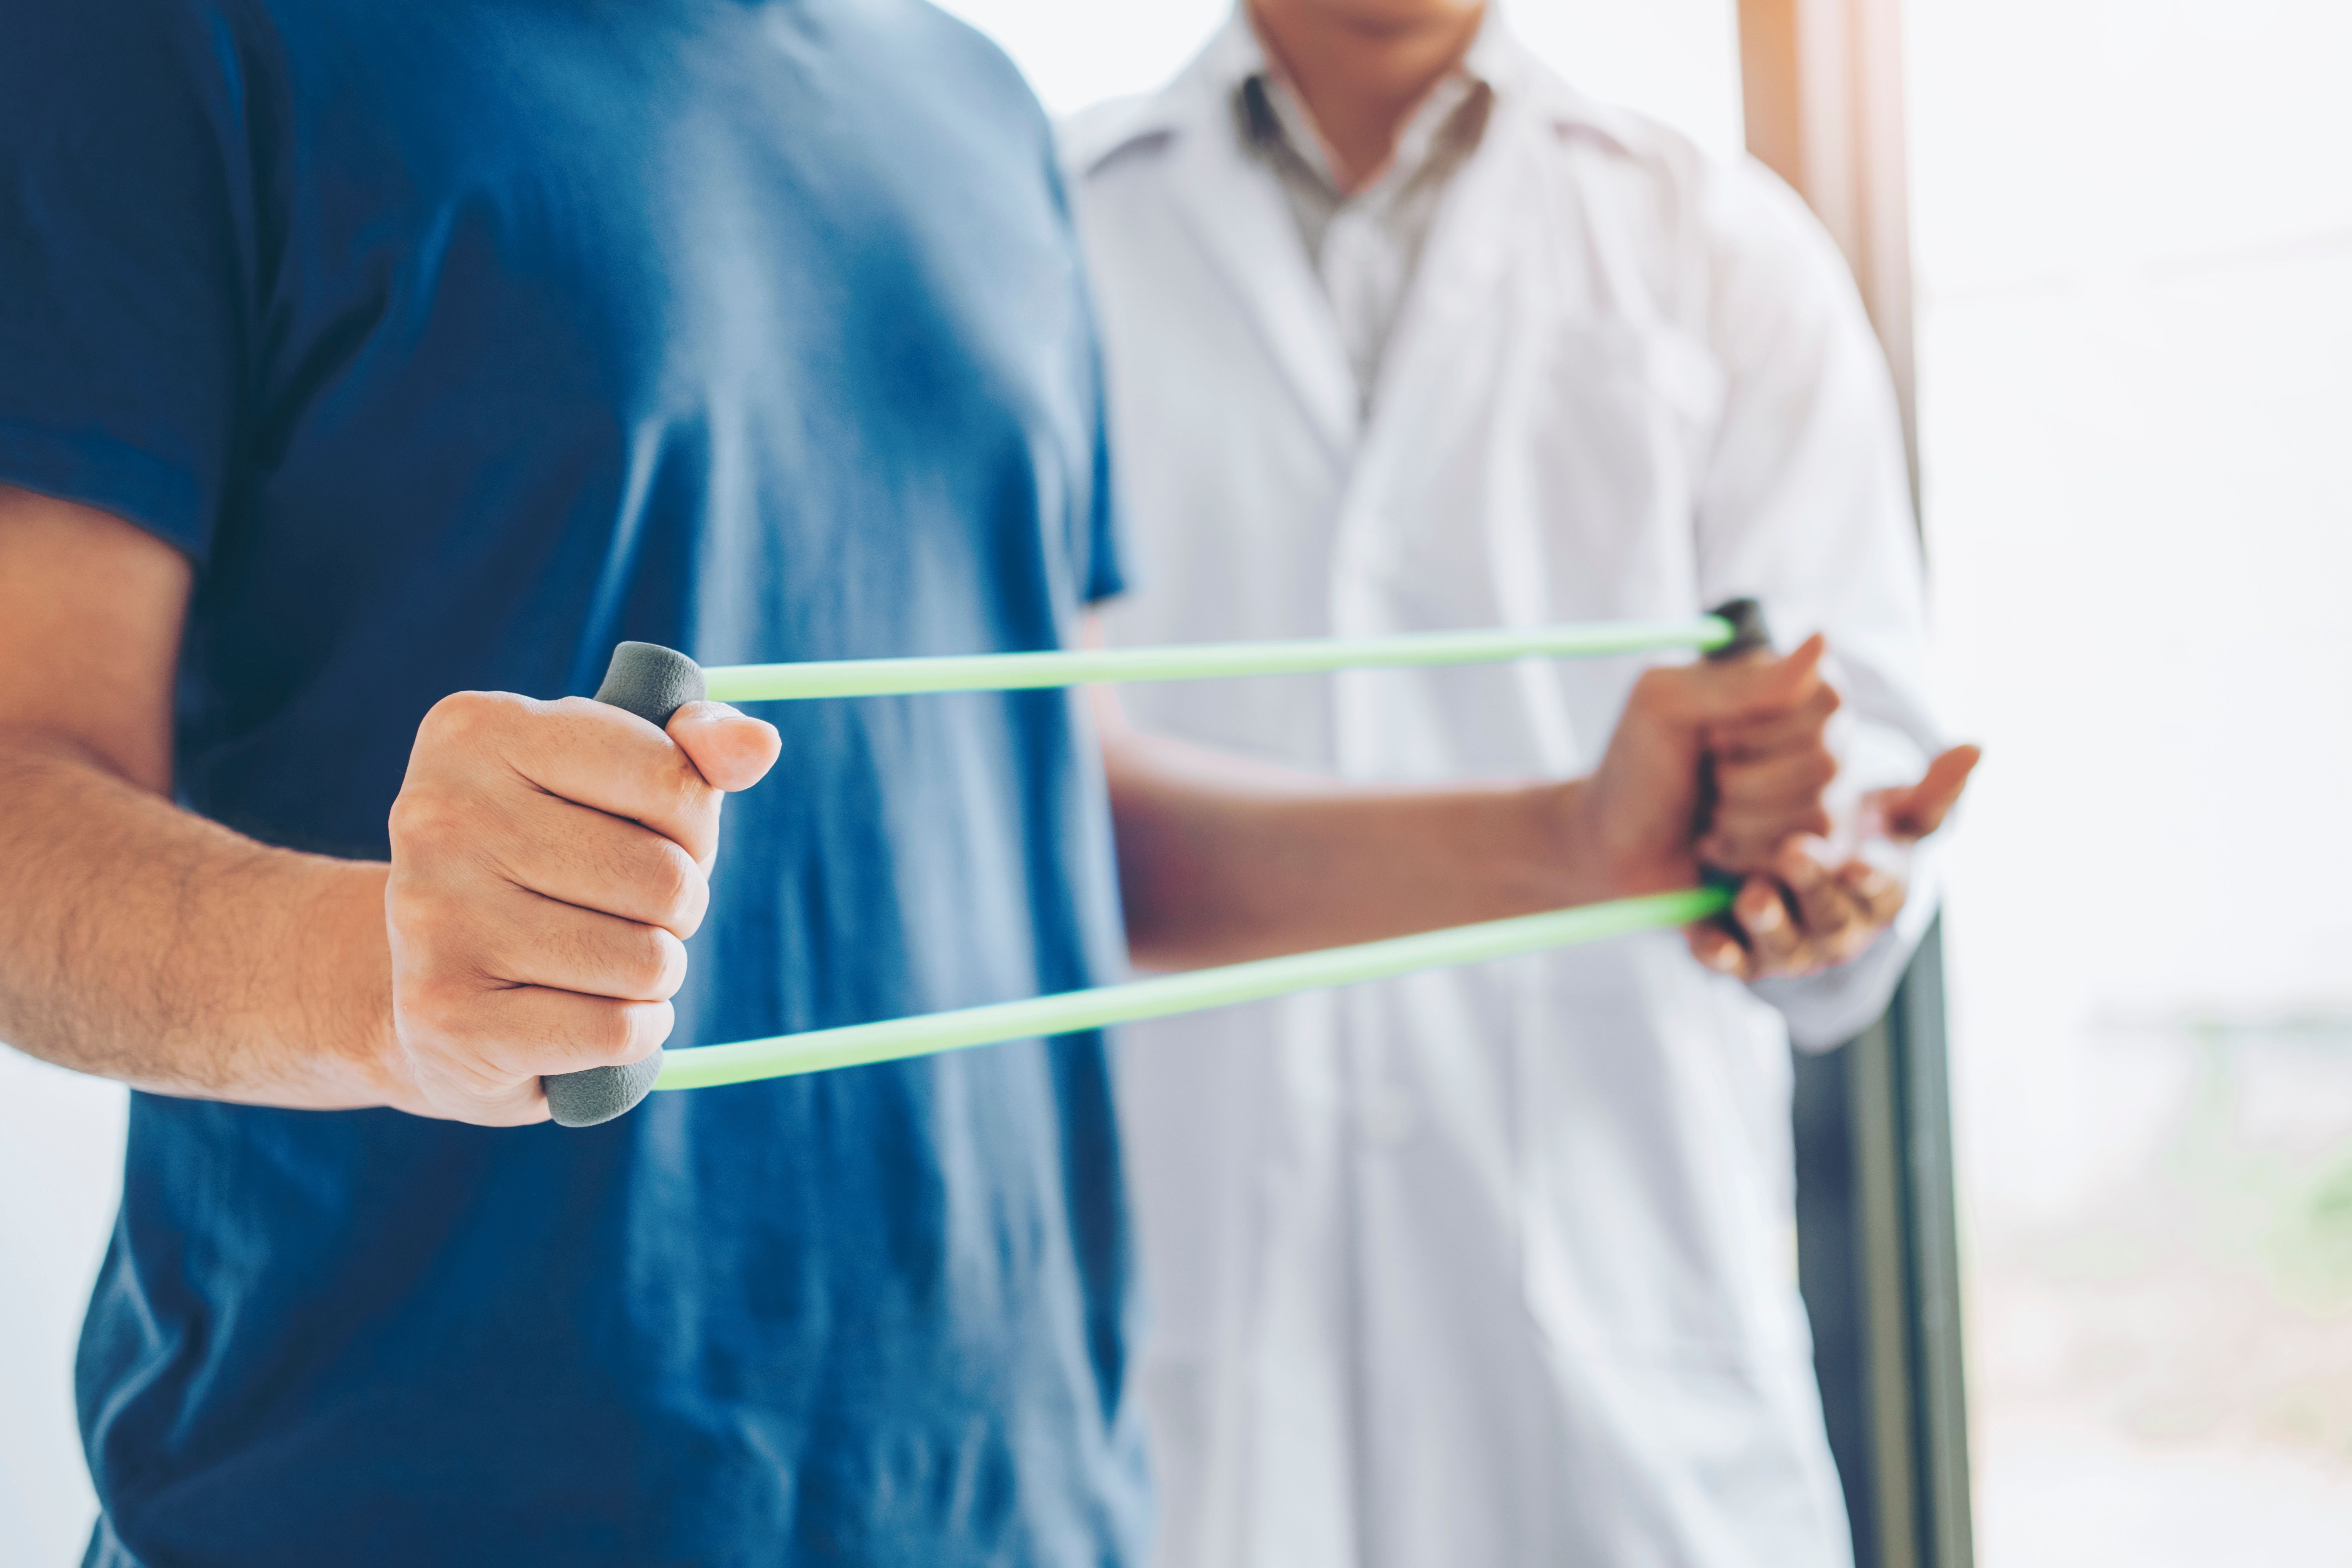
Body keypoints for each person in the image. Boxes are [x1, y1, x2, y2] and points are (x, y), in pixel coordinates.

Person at [0, 2, 1867, 1563]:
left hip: (1020, 1510)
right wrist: (380, 977)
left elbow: (1056, 820)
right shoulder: (167, 37)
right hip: (399, 1513)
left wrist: (1570, 841)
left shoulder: (972, 110)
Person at [1062, 3, 1978, 1564]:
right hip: (1185, 1393)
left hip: (1626, 1392)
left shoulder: (1719, 246)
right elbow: (1002, 814)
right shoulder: (1049, 228)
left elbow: (1858, 757)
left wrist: (1822, 856)